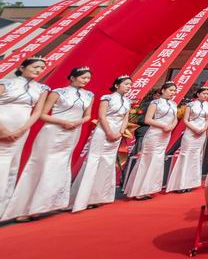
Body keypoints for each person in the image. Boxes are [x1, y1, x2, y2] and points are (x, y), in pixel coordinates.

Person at [2, 66, 94, 221]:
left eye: (88, 78)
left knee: (60, 165)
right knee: (41, 164)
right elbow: (43, 114)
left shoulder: (89, 95)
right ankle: (24, 208)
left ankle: (46, 205)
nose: (86, 80)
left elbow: (88, 115)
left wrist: (78, 122)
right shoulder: (58, 92)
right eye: (83, 77)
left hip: (73, 132)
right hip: (53, 131)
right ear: (72, 77)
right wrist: (63, 122)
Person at [70, 74, 132, 212]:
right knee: (94, 161)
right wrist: (109, 132)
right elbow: (102, 116)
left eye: (130, 85)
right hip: (103, 131)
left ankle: (99, 196)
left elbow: (125, 119)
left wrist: (120, 132)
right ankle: (84, 198)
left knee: (108, 163)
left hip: (117, 133)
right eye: (126, 84)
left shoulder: (127, 101)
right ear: (117, 85)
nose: (129, 86)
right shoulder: (107, 98)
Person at [0, 57, 50, 217]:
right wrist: (3, 130)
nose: (38, 70)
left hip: (22, 130)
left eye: (41, 68)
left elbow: (37, 112)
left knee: (13, 166)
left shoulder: (41, 88)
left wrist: (22, 129)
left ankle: (4, 209)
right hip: (2, 127)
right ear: (22, 68)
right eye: (35, 67)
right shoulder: (6, 83)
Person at [124, 82, 178, 200]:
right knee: (147, 159)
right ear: (163, 90)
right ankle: (138, 191)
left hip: (166, 134)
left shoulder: (174, 104)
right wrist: (163, 126)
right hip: (154, 133)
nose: (173, 93)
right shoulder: (155, 103)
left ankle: (148, 189)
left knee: (157, 160)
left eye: (174, 91)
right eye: (170, 90)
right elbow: (148, 120)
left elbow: (175, 119)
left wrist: (171, 127)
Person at [166, 86, 208, 193]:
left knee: (196, 156)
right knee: (185, 155)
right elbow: (185, 120)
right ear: (198, 94)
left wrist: (204, 129)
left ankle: (191, 183)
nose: (205, 95)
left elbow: (207, 119)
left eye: (207, 94)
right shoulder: (190, 105)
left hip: (201, 133)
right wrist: (195, 129)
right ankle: (180, 184)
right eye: (203, 93)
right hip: (191, 132)